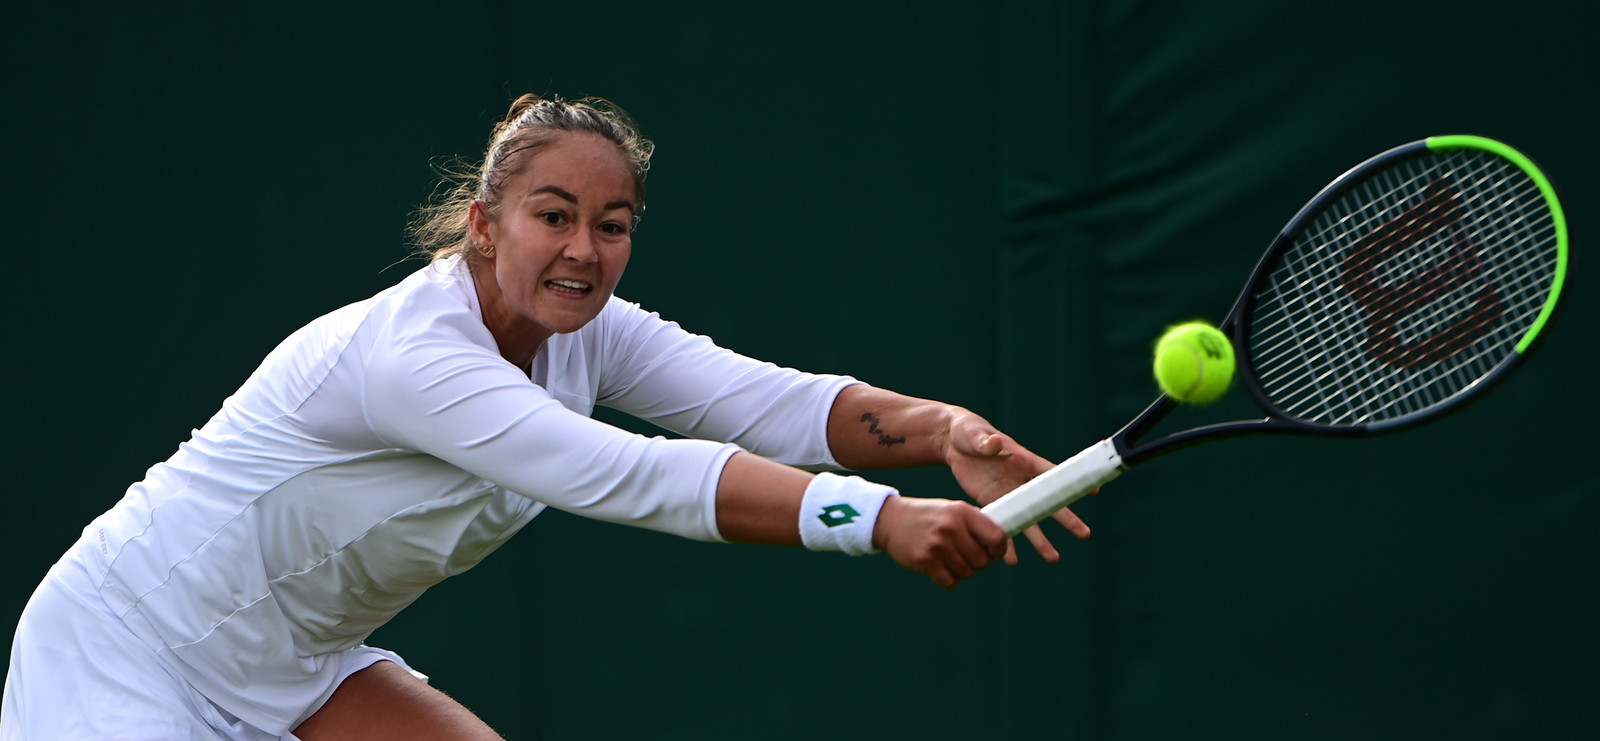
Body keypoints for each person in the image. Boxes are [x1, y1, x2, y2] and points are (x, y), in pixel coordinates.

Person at [1, 94, 1090, 740]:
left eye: (611, 225)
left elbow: (767, 403)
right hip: (124, 653)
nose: (584, 249)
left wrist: (941, 427)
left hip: (294, 659)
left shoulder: (590, 330)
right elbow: (632, 475)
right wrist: (876, 518)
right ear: (483, 225)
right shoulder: (412, 358)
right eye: (553, 217)